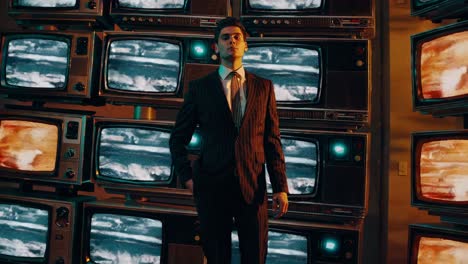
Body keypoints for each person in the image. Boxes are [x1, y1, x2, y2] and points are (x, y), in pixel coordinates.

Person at [169, 17, 289, 264]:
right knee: (216, 257)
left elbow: (272, 140)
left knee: (255, 256)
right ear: (216, 47)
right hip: (211, 187)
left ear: (246, 45)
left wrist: (280, 187)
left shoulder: (264, 87)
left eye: (237, 37)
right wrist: (188, 178)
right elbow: (178, 138)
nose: (231, 41)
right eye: (225, 37)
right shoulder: (200, 88)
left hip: (252, 187)